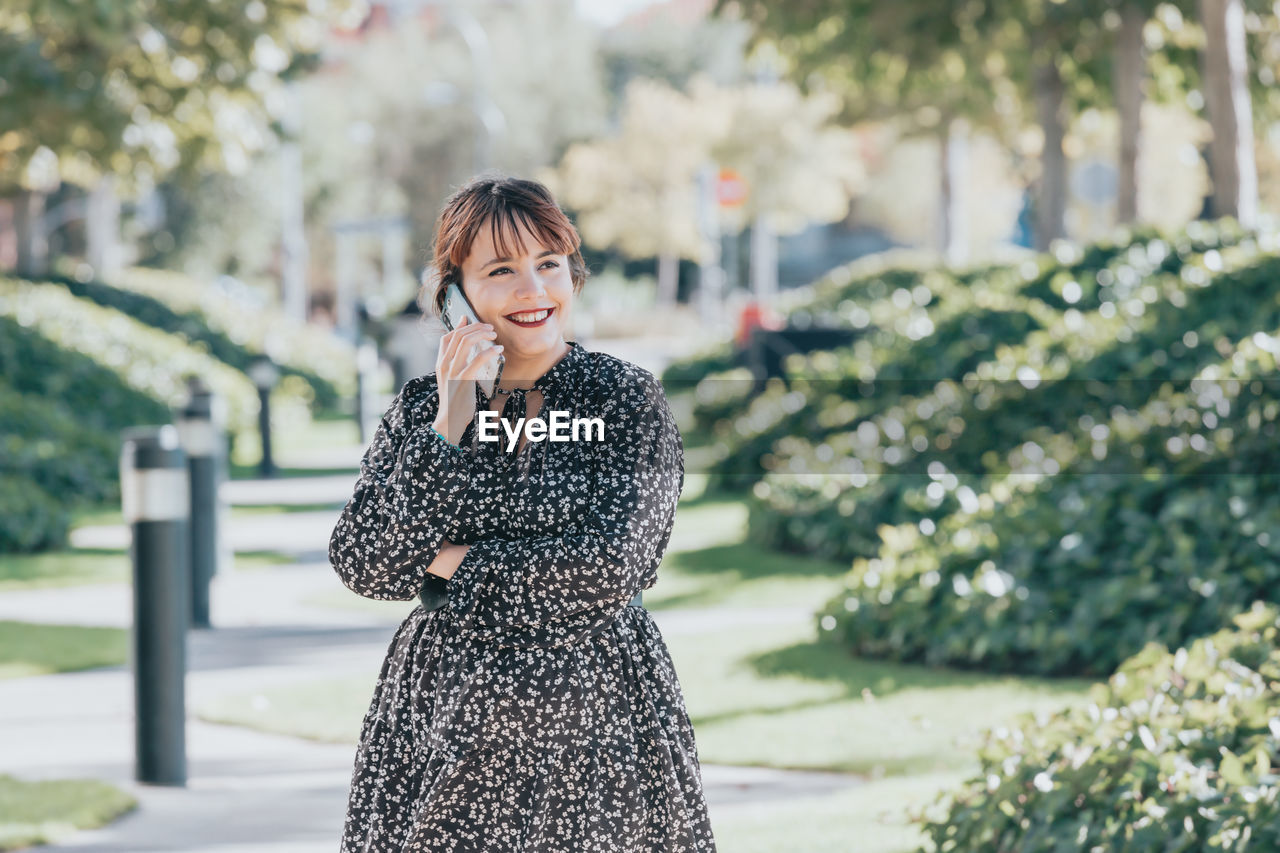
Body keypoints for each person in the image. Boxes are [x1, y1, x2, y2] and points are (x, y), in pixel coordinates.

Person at [329, 174, 718, 852]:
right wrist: (452, 421)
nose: (533, 290)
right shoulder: (425, 408)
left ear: (573, 271)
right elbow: (366, 561)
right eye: (501, 270)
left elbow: (611, 566)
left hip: (599, 729)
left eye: (548, 264)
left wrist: (448, 567)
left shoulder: (625, 402)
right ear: (455, 292)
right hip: (443, 725)